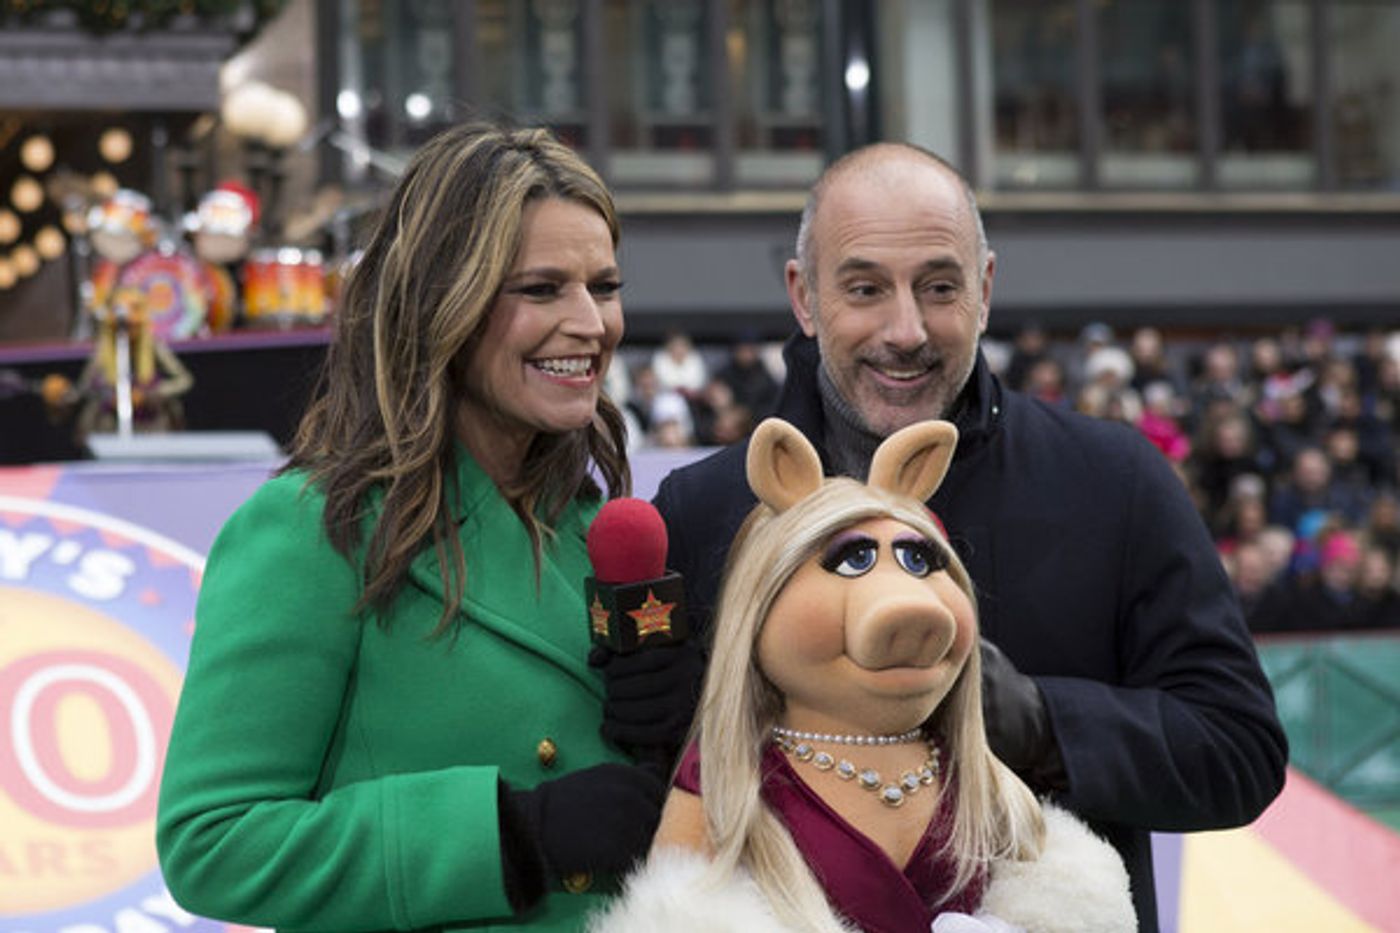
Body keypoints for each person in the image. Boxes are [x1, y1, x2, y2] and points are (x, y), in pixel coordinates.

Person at [651, 142, 1288, 931]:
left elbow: (1241, 751)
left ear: (985, 290)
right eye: (864, 288)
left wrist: (1042, 723)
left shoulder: (1113, 479)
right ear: (804, 297)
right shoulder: (709, 509)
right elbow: (667, 791)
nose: (907, 329)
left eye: (940, 286)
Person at [157, 124, 684, 932]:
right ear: (443, 302)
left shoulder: (605, 533)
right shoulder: (310, 531)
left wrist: (694, 735)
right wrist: (509, 835)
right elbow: (213, 841)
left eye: (604, 286)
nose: (592, 323)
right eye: (541, 289)